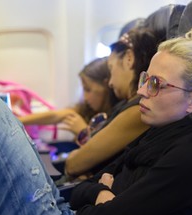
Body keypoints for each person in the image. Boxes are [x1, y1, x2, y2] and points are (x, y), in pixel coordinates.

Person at [0, 14, 192, 215]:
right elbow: (91, 186)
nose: (141, 91)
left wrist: (98, 193)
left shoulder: (189, 157)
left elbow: (105, 213)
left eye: (156, 84)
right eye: (144, 79)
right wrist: (100, 190)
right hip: (67, 211)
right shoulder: (159, 130)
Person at [64, 27, 159, 178]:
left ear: (129, 58)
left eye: (111, 67)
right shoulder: (125, 104)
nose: (110, 82)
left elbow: (74, 164)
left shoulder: (138, 110)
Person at [18, 57, 119, 137]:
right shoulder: (88, 109)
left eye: (88, 90)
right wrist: (18, 121)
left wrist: (83, 132)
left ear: (106, 86)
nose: (85, 96)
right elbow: (57, 115)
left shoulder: (116, 118)